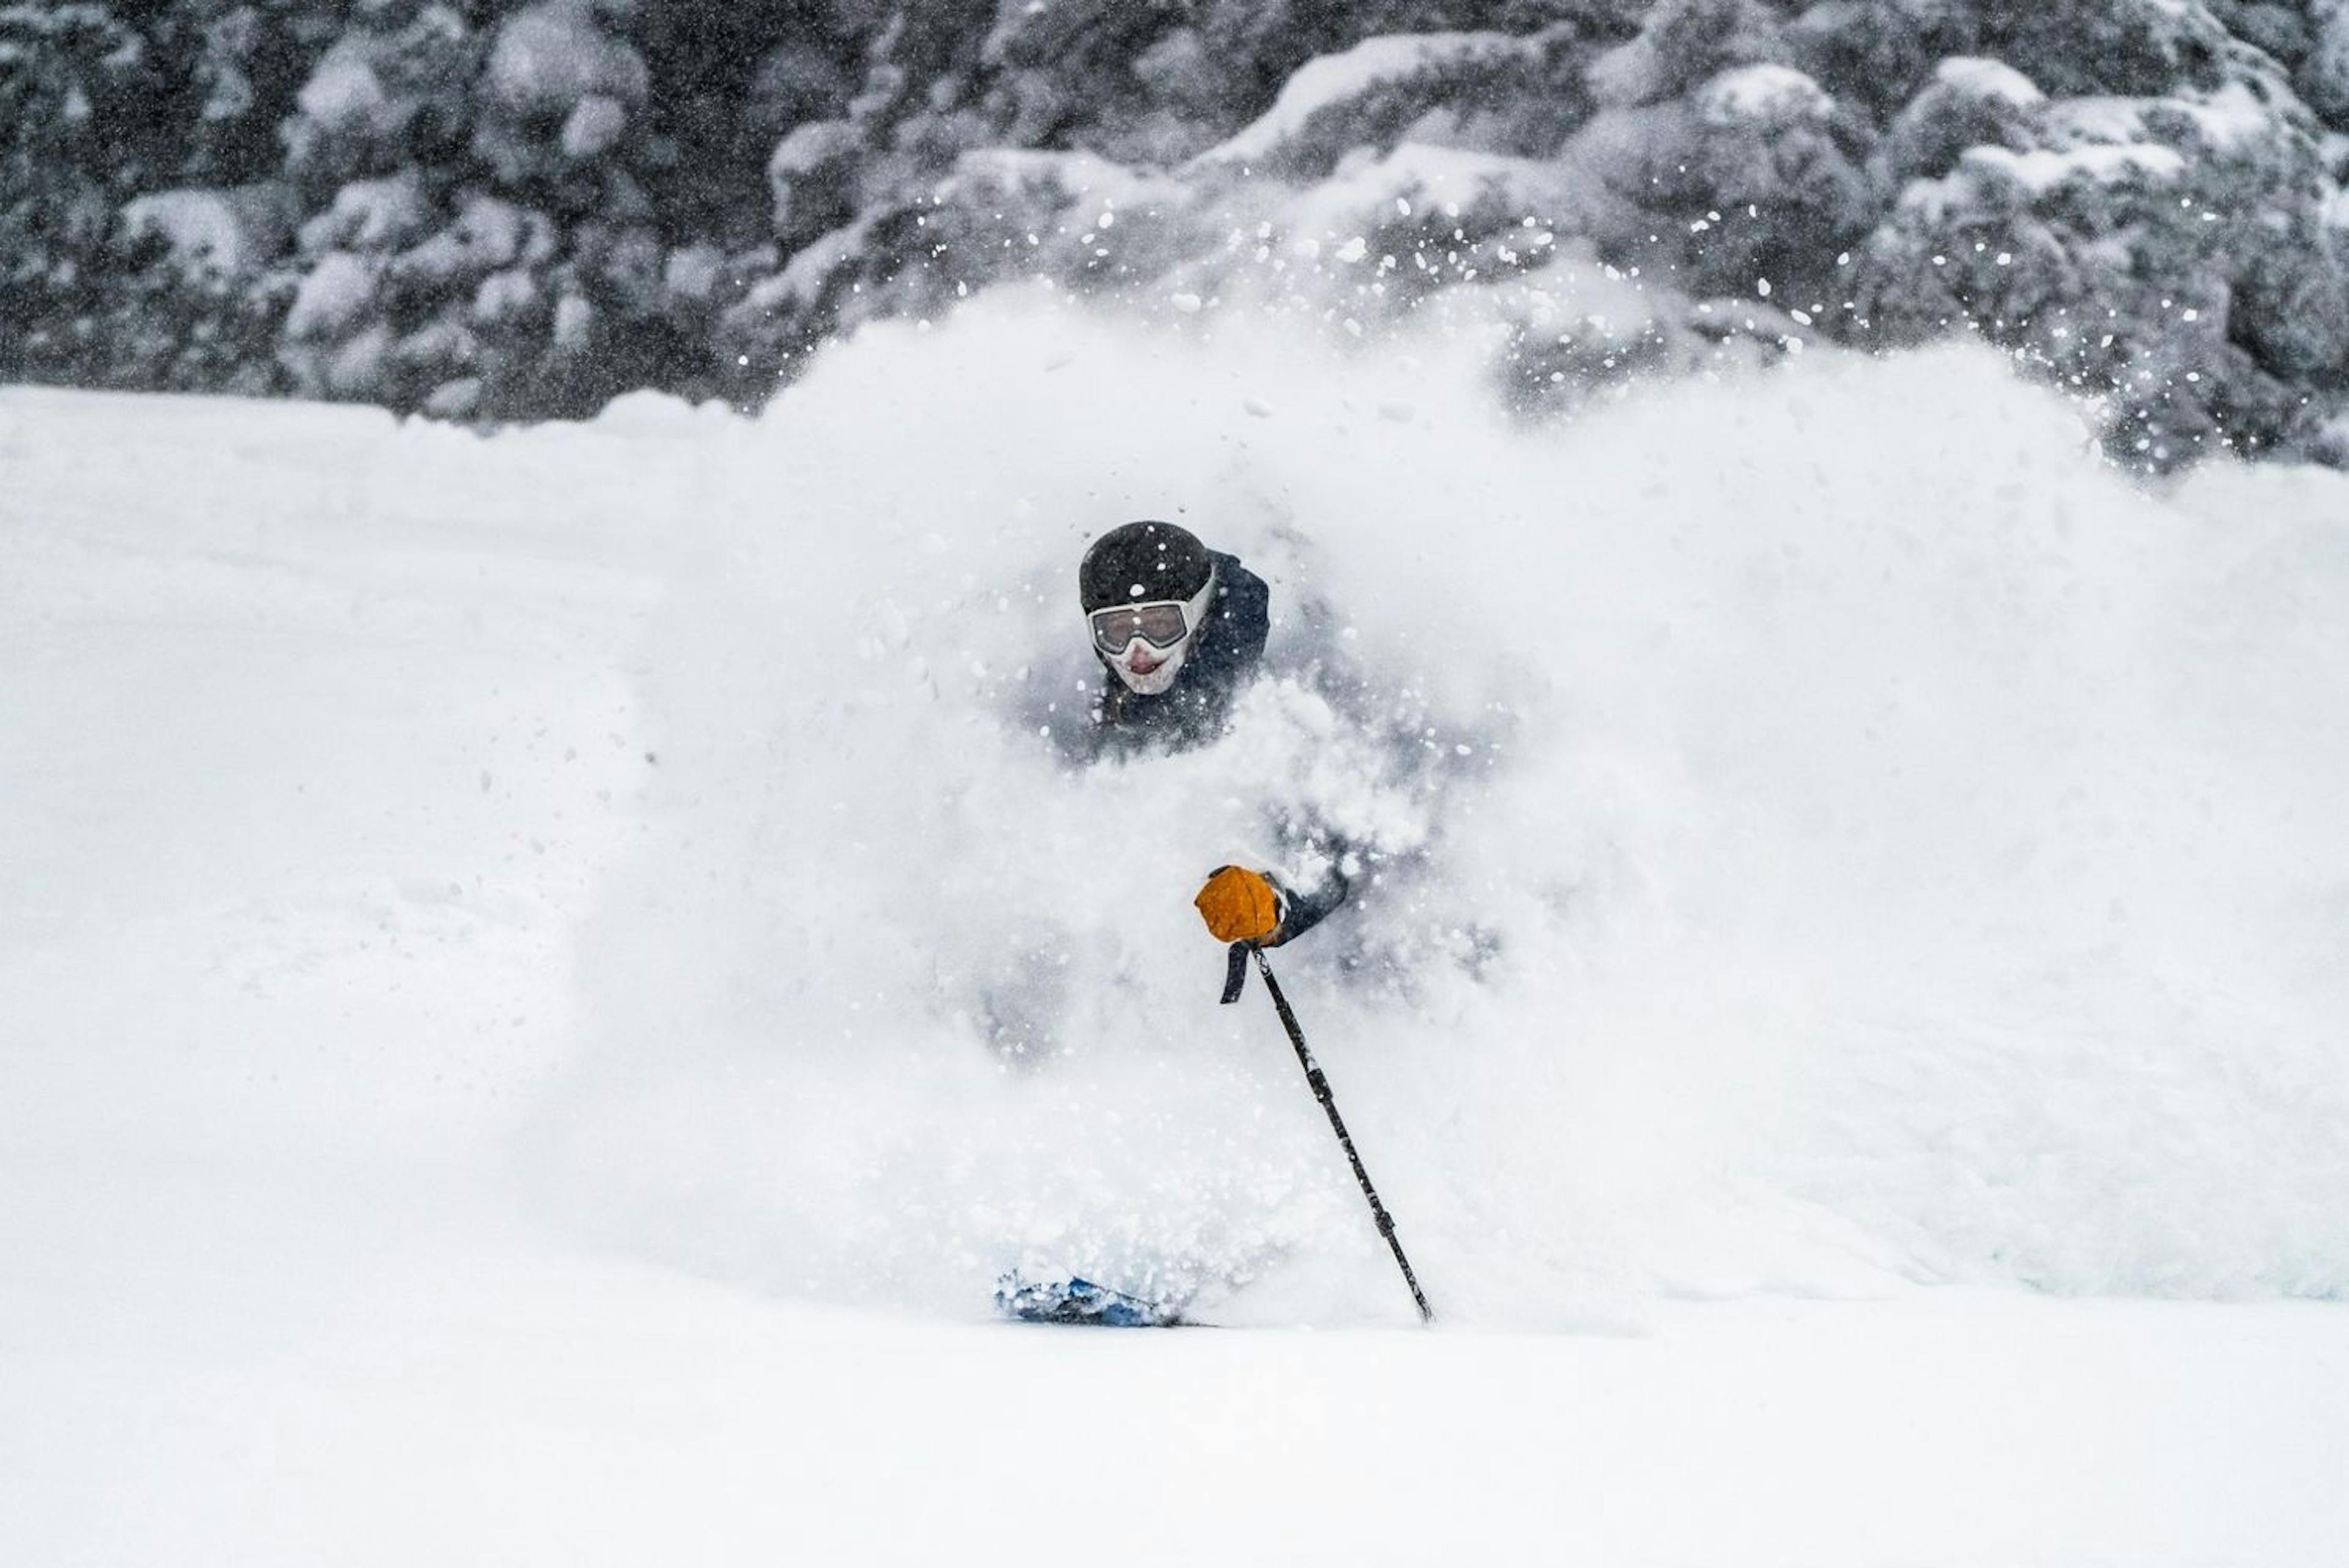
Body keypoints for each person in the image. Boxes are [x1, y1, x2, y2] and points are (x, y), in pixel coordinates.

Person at [1075, 519, 1349, 959]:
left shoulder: (1273, 697)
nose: (1138, 652)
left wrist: (1275, 905)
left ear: (1200, 616)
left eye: (1161, 625)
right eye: (1116, 632)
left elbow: (1335, 855)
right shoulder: (1093, 690)